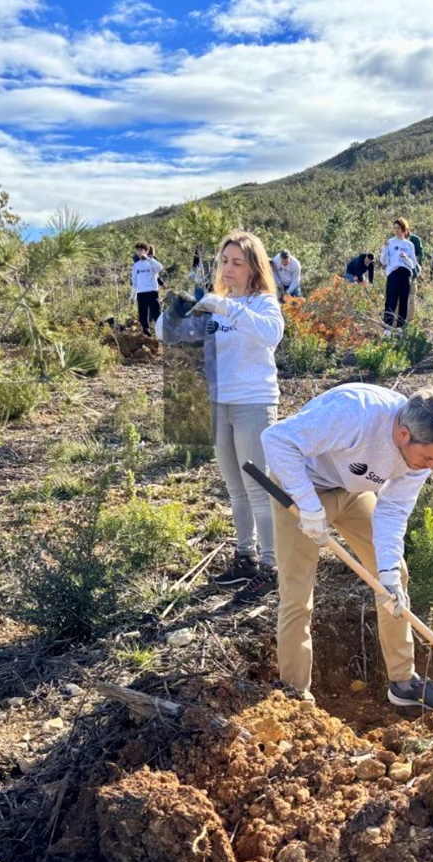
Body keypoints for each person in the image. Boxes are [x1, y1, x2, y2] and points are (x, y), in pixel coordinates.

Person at [261, 383, 433, 710]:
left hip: (353, 493)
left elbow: (393, 510)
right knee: (297, 593)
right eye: (428, 458)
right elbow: (276, 439)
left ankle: (403, 682)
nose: (432, 468)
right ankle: (295, 697)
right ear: (403, 435)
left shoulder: (422, 457)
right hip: (298, 488)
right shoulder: (354, 412)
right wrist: (308, 504)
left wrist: (385, 571)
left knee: (394, 577)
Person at [155, 230, 284, 603]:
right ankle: (245, 557)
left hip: (253, 404)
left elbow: (270, 335)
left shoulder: (262, 304)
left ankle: (271, 567)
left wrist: (225, 306)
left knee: (258, 489)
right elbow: (168, 334)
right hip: (219, 403)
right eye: (224, 261)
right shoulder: (216, 304)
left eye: (236, 263)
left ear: (252, 267)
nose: (227, 269)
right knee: (235, 489)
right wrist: (174, 311)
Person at [380, 218, 419, 334]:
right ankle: (387, 329)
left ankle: (400, 329)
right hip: (393, 274)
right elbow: (383, 261)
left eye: (399, 228)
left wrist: (405, 258)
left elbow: (413, 264)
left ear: (404, 229)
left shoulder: (409, 245)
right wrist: (385, 248)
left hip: (406, 274)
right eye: (395, 228)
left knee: (403, 301)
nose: (396, 230)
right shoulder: (390, 243)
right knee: (390, 301)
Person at [131, 242, 163, 336]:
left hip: (152, 292)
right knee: (142, 317)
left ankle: (162, 335)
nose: (139, 252)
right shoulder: (136, 265)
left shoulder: (152, 262)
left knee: (156, 314)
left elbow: (160, 268)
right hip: (141, 293)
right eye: (138, 250)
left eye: (141, 250)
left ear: (146, 251)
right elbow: (135, 283)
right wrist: (132, 297)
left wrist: (148, 258)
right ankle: (147, 336)